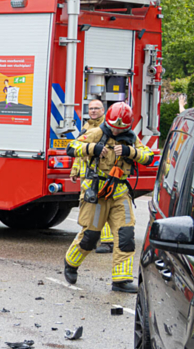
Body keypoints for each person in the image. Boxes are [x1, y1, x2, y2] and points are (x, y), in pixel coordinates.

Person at [63, 102, 154, 293]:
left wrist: (131, 152)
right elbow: (72, 147)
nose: (116, 131)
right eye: (113, 127)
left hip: (120, 191)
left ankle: (121, 280)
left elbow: (148, 157)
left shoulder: (131, 138)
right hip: (97, 191)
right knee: (91, 235)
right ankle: (71, 263)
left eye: (120, 129)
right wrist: (93, 149)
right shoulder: (97, 132)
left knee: (126, 235)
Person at [70, 99, 115, 254]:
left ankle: (108, 242)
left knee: (103, 205)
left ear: (103, 110)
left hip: (102, 175)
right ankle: (92, 237)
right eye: (91, 108)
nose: (93, 111)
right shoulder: (87, 126)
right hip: (87, 176)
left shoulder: (108, 127)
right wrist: (75, 170)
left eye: (97, 108)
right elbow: (79, 152)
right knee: (89, 206)